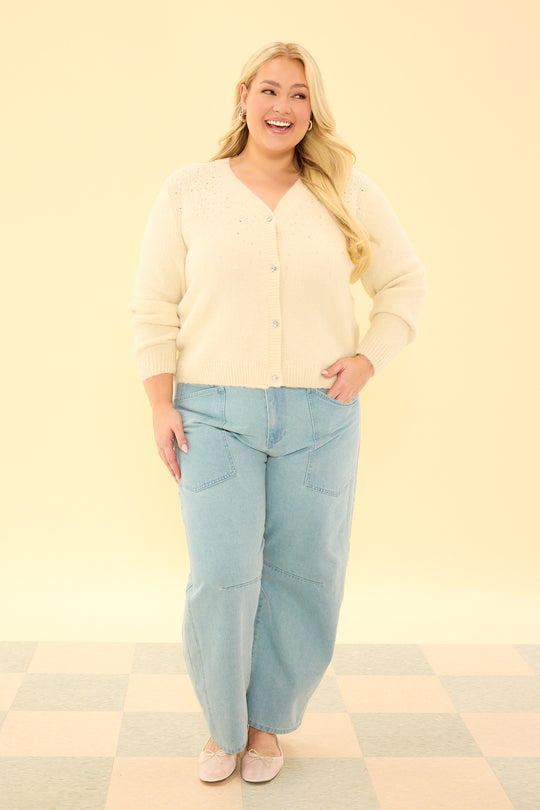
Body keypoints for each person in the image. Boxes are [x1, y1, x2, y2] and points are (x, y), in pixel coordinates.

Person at [128, 41, 427, 784]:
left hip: (319, 416)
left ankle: (265, 727)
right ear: (242, 98)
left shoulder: (346, 189)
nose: (282, 107)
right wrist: (160, 403)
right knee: (221, 573)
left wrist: (369, 359)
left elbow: (405, 284)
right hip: (211, 415)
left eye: (298, 95)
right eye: (269, 90)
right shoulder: (189, 190)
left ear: (312, 109)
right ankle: (221, 727)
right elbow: (152, 304)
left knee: (303, 575)